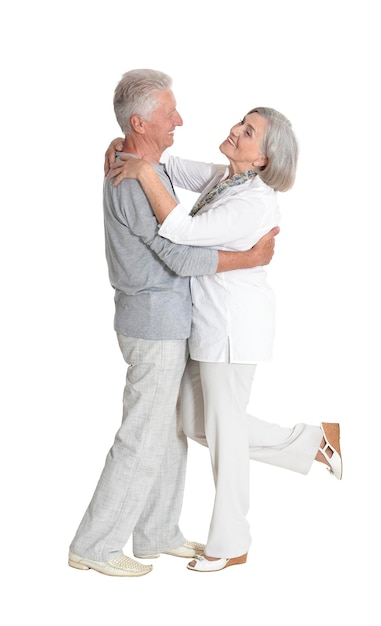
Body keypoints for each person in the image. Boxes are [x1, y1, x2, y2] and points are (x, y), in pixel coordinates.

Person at [105, 104, 343, 573]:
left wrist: (140, 172)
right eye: (241, 121)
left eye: (249, 131)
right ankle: (313, 440)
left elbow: (182, 231)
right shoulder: (225, 177)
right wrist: (119, 147)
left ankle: (231, 540)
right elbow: (168, 164)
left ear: (263, 160)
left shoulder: (252, 201)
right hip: (208, 326)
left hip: (233, 329)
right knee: (201, 425)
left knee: (222, 431)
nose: (235, 130)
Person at [68, 69, 279, 578]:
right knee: (142, 435)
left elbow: (177, 182)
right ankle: (94, 545)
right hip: (154, 322)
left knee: (170, 432)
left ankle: (158, 531)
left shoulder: (145, 165)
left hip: (170, 320)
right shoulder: (132, 177)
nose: (179, 120)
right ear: (141, 122)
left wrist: (124, 145)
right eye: (169, 113)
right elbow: (178, 255)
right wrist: (249, 259)